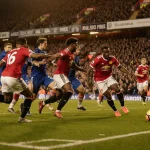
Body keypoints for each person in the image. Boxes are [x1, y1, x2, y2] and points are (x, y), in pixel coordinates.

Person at [0, 37, 51, 123]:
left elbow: (1, 63)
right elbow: (36, 55)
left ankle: (21, 117)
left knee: (7, 99)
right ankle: (22, 118)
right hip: (13, 76)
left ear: (16, 45)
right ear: (24, 44)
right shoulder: (24, 49)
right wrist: (50, 55)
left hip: (4, 77)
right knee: (30, 96)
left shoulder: (10, 52)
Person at [38, 37, 86, 118]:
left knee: (59, 96)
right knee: (69, 91)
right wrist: (48, 60)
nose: (77, 47)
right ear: (72, 45)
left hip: (61, 75)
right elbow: (57, 55)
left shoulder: (71, 54)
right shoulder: (66, 52)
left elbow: (73, 66)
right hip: (60, 74)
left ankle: (43, 103)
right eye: (76, 45)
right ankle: (57, 111)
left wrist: (83, 70)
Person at [88, 46, 129, 117]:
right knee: (108, 95)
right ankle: (115, 110)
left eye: (108, 52)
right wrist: (89, 80)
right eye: (105, 52)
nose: (107, 53)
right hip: (99, 80)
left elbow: (120, 67)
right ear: (102, 52)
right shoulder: (98, 59)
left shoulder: (112, 58)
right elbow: (89, 69)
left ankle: (123, 106)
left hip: (108, 77)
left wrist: (128, 72)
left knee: (117, 89)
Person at [68, 46, 86, 110]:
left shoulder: (77, 58)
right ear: (74, 50)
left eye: (80, 50)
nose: (79, 51)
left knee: (82, 90)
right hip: (65, 76)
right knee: (59, 92)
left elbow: (76, 67)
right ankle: (46, 102)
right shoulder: (69, 55)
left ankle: (79, 105)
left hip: (72, 77)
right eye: (78, 50)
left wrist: (81, 74)